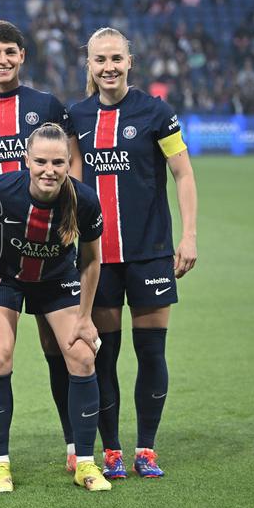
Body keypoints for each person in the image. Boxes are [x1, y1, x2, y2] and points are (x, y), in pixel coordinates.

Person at [0, 20, 81, 477]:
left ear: (22, 56)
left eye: (11, 51)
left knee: (57, 345)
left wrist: (71, 217)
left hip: (48, 244)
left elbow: (74, 166)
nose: (2, 60)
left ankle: (73, 446)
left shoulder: (46, 106)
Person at [69, 27, 198, 479]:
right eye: (100, 59)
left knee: (151, 352)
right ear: (89, 65)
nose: (109, 67)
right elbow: (70, 182)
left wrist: (190, 236)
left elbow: (183, 173)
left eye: (116, 58)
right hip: (98, 258)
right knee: (105, 355)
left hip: (150, 252)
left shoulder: (155, 112)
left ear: (130, 61)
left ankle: (146, 448)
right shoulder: (76, 117)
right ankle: (112, 452)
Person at [0, 122, 110, 493]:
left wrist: (84, 318)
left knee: (82, 357)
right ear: (26, 160)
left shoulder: (84, 200)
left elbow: (92, 261)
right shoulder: (0, 191)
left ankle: (84, 462)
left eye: (58, 163)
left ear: (69, 163)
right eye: (40, 162)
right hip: (4, 278)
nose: (49, 170)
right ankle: (0, 466)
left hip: (55, 281)